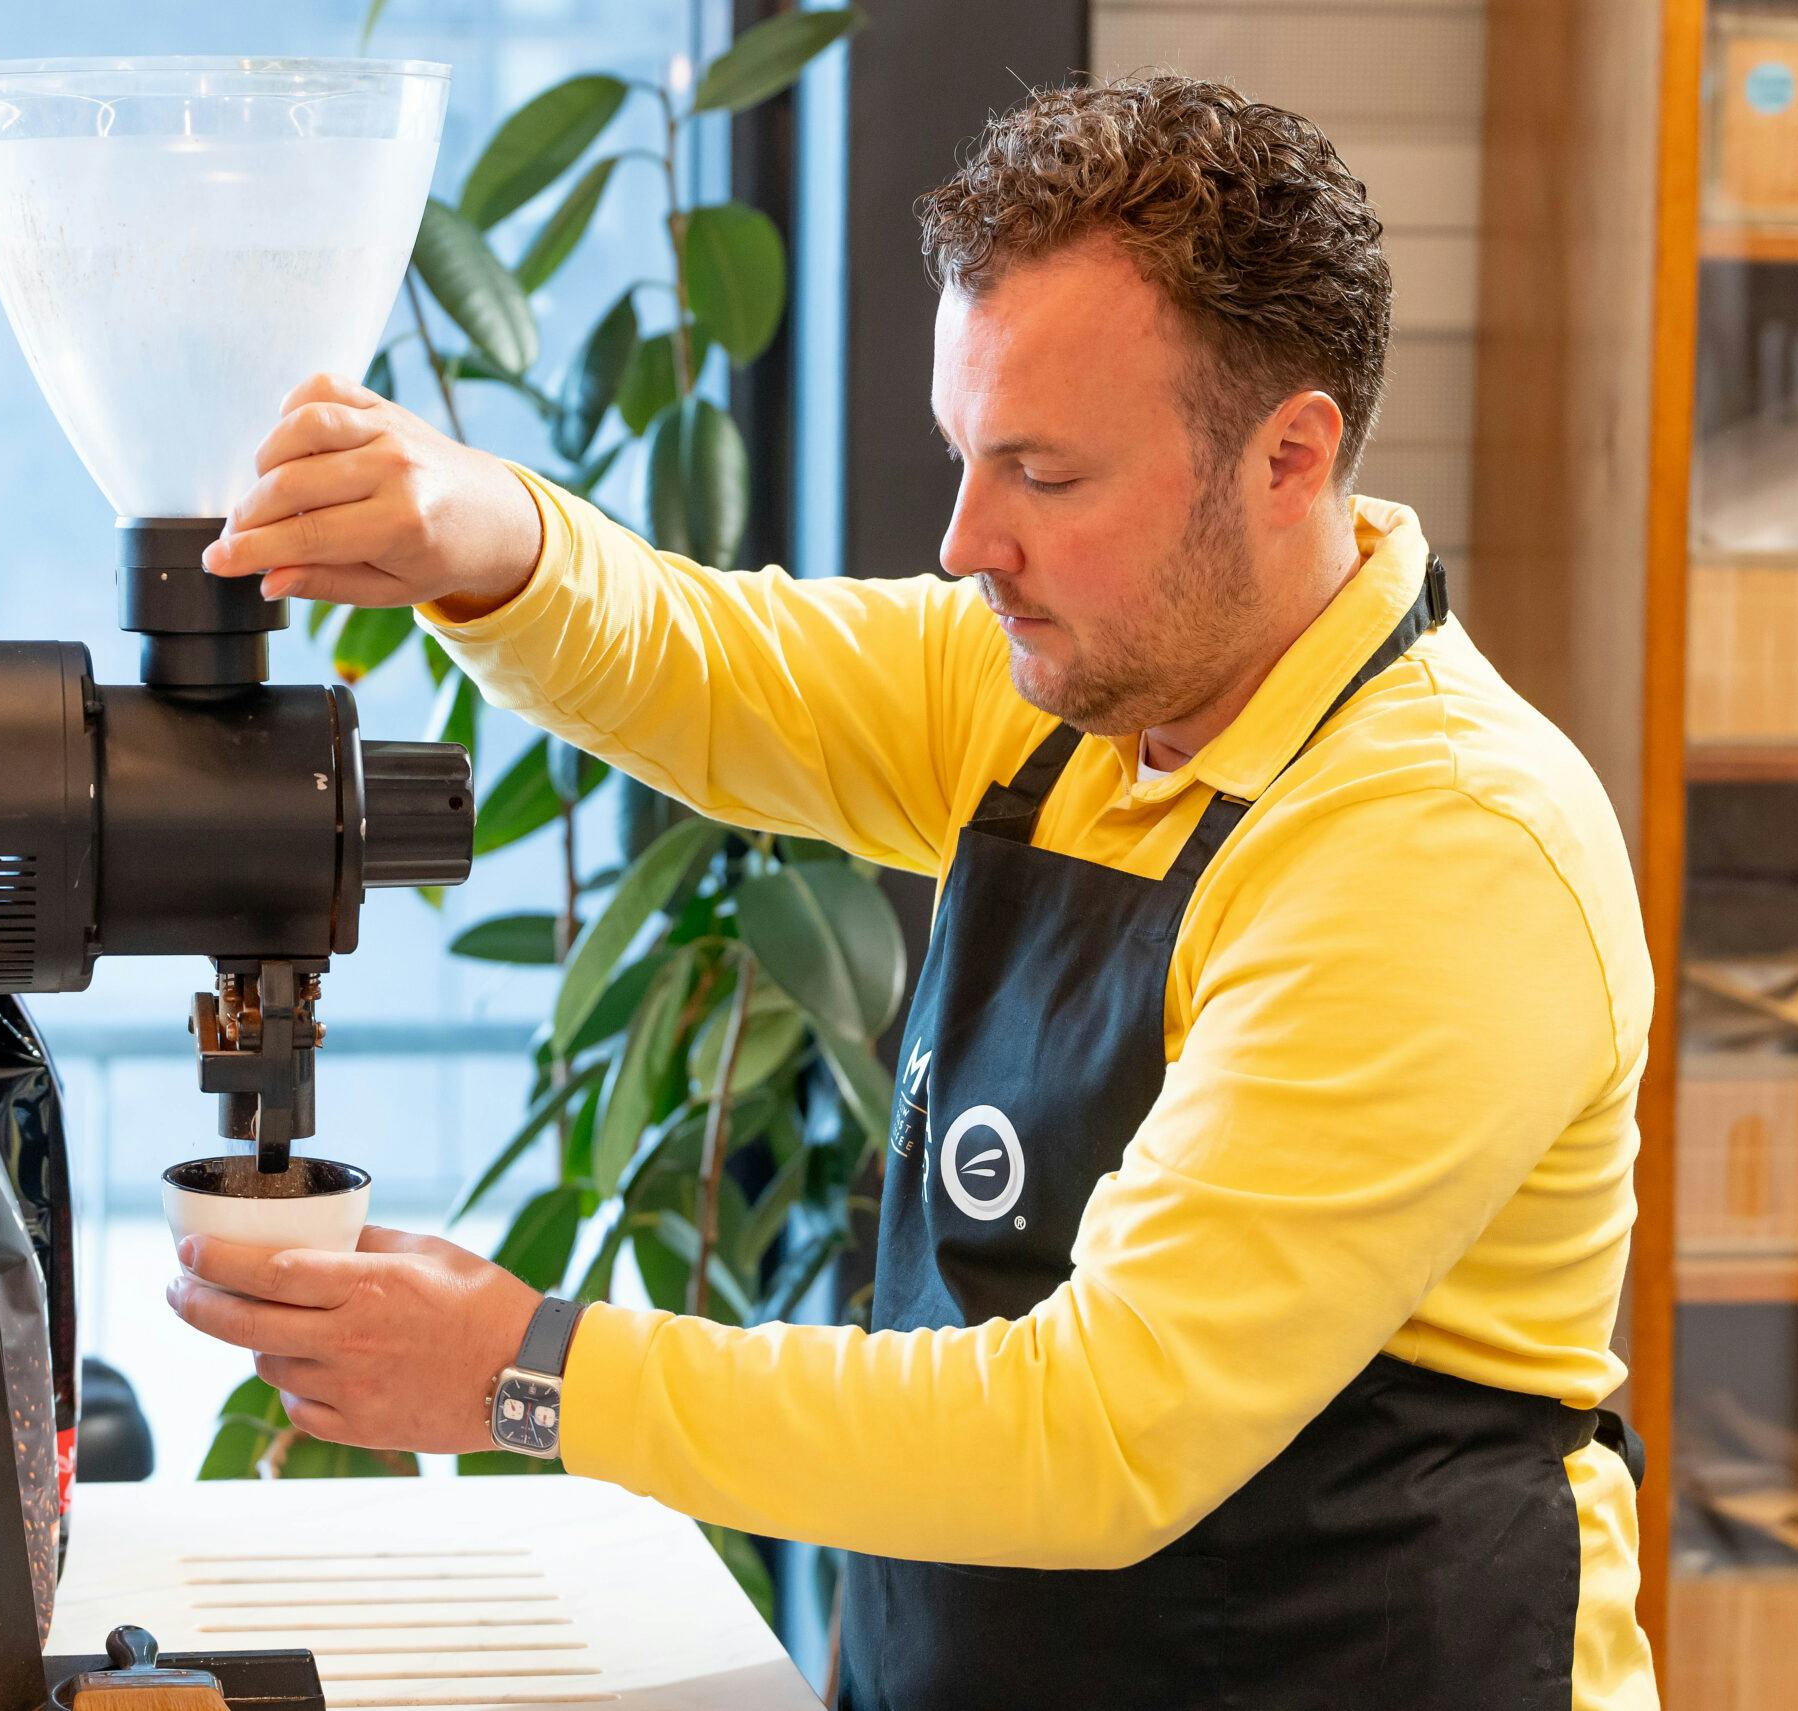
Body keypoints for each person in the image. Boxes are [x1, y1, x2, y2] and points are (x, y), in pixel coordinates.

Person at [167, 73, 1657, 1711]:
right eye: (965, 454)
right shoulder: (1074, 691)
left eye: (1043, 474)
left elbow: (1099, 1429)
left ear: (1290, 456)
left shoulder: (1441, 849)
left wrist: (528, 1373)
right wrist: (490, 535)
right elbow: (721, 671)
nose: (963, 542)